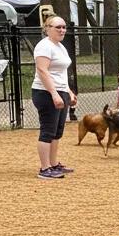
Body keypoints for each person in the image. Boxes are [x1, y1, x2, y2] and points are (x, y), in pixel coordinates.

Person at [31, 14, 77, 179]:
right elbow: (42, 71)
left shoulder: (59, 46)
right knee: (48, 131)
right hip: (45, 93)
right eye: (58, 27)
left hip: (60, 91)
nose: (62, 30)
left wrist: (68, 92)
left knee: (57, 131)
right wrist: (54, 94)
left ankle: (53, 164)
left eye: (64, 27)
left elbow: (61, 73)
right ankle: (44, 169)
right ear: (47, 29)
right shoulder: (44, 46)